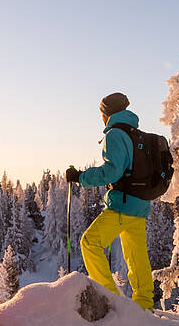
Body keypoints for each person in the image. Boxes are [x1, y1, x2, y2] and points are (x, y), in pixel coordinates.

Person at [66, 92, 154, 311]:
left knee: (90, 243)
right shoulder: (136, 133)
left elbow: (112, 171)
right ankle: (144, 306)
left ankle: (111, 300)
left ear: (107, 113)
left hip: (122, 205)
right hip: (140, 204)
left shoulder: (115, 134)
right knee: (136, 257)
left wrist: (80, 177)